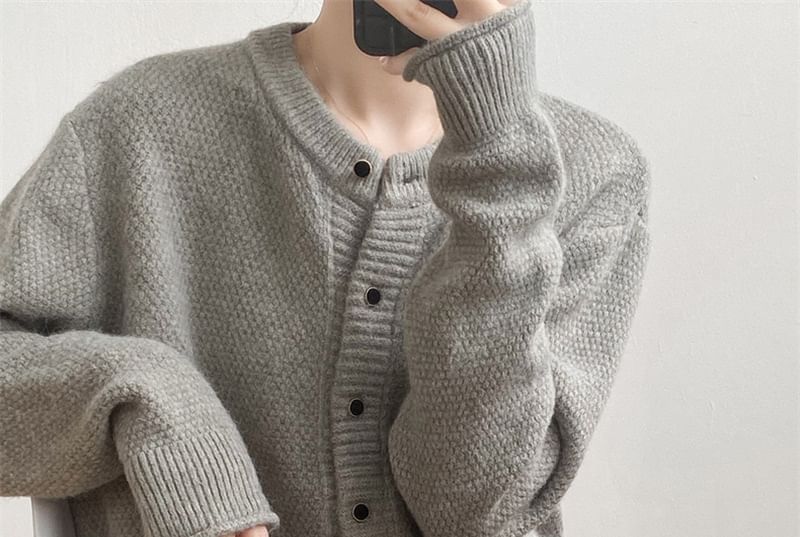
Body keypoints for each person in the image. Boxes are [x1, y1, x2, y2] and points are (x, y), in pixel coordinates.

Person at [0, 1, 652, 537]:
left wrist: (498, 160)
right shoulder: (140, 125)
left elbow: (472, 513)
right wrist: (149, 396)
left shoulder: (592, 175)